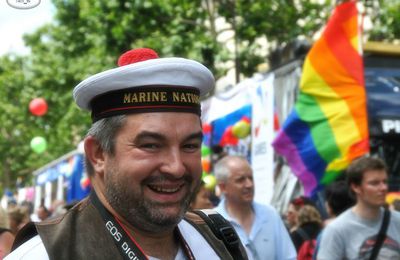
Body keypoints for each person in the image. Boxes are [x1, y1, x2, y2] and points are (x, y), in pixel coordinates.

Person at [6, 48, 247, 259]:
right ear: (98, 154)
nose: (176, 167)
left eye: (189, 146)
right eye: (151, 145)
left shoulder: (220, 241)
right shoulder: (46, 255)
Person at [214, 155, 297, 260]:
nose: (249, 184)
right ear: (223, 187)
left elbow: (289, 257)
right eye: (240, 180)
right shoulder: (213, 222)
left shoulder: (270, 215)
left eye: (251, 178)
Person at [317, 156, 400, 259]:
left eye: (385, 182)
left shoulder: (397, 221)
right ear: (356, 187)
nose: (383, 188)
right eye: (374, 183)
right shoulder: (337, 230)